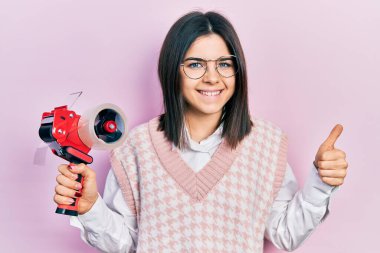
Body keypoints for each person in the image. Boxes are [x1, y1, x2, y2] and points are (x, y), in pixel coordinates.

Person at [54, 11, 348, 253]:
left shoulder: (266, 145)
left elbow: (286, 234)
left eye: (224, 64)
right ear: (173, 70)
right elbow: (128, 242)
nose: (212, 77)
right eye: (195, 64)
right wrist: (91, 207)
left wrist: (321, 182)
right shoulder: (135, 148)